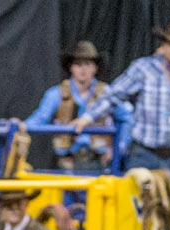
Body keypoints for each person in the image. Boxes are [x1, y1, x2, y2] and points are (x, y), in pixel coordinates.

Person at [73, 20, 170, 176]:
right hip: (144, 153)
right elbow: (113, 95)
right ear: (164, 46)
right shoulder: (144, 69)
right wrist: (86, 118)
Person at [24, 40, 130, 172]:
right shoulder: (56, 94)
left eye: (88, 64)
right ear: (71, 67)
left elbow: (126, 117)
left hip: (100, 161)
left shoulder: (107, 94)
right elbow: (39, 118)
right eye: (78, 64)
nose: (83, 70)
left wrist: (118, 149)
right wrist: (21, 126)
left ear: (95, 68)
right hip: (68, 162)